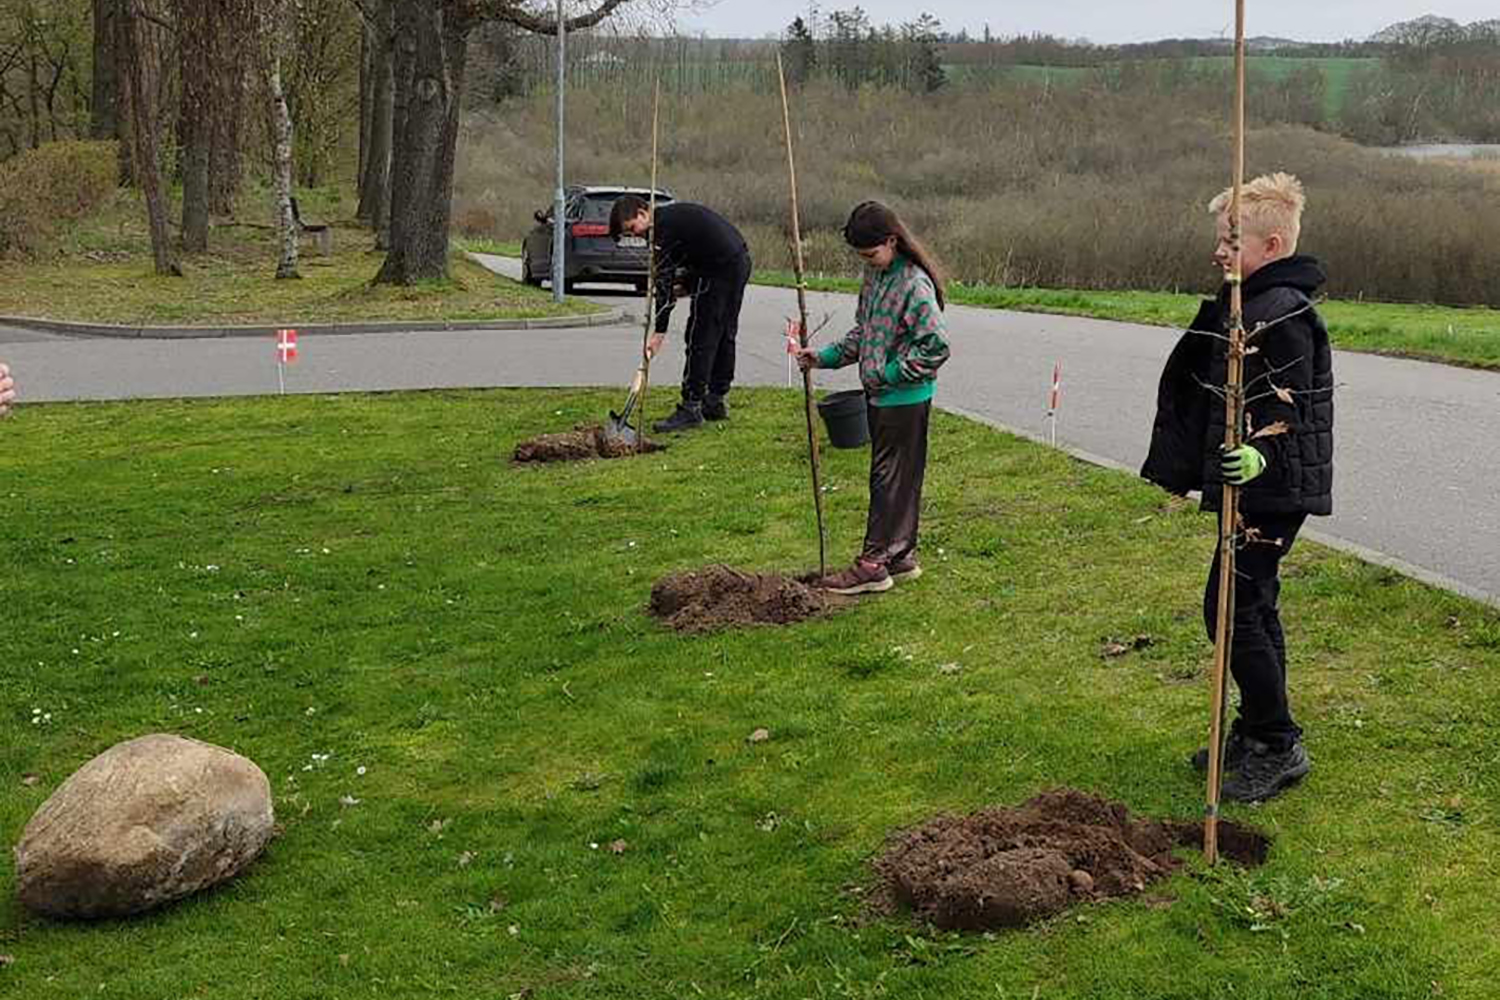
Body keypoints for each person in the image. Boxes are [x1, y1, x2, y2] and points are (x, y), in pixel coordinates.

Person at [1141, 172, 1334, 803]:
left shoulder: (1284, 312)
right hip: (1260, 487)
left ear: (1272, 245)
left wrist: (1259, 452)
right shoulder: (1248, 301)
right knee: (1249, 606)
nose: (1218, 253)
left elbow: (1294, 399)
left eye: (1231, 242)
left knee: (1230, 611)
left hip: (1273, 488)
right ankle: (1257, 731)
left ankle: (1277, 743)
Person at [795, 201, 951, 596]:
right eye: (861, 256)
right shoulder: (876, 275)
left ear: (892, 241)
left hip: (904, 397)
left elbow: (936, 346)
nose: (867, 261)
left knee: (889, 480)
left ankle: (872, 564)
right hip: (882, 397)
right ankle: (900, 556)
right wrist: (826, 357)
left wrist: (889, 374)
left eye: (870, 253)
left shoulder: (914, 284)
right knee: (899, 478)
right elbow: (865, 332)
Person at [609, 195, 752, 433]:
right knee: (724, 331)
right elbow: (691, 259)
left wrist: (659, 331)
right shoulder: (671, 220)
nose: (635, 235)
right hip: (737, 261)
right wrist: (685, 286)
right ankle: (715, 399)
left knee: (700, 336)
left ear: (644, 213)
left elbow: (664, 283)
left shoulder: (661, 231)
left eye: (632, 228)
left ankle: (691, 407)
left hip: (719, 268)